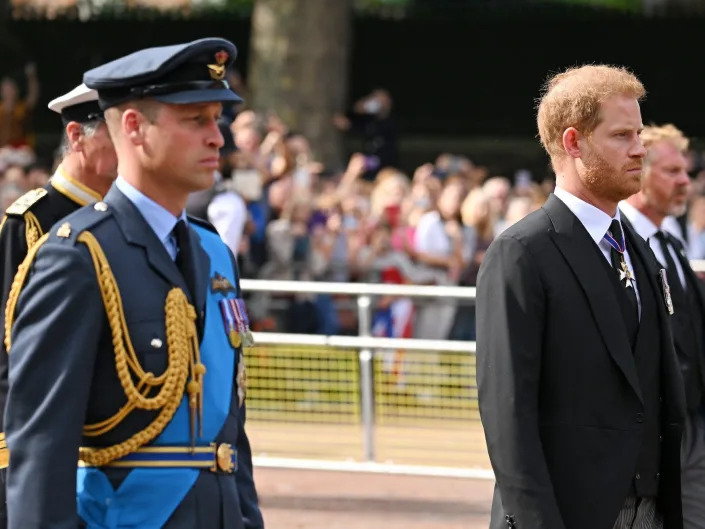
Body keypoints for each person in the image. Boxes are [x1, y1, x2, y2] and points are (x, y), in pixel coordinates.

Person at [3, 38, 263, 529]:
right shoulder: (79, 255)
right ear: (134, 127)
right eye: (195, 120)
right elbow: (41, 446)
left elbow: (228, 437)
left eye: (217, 119)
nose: (218, 138)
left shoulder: (214, 253)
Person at [476, 65, 685, 529]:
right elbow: (508, 414)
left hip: (650, 509)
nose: (638, 149)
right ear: (573, 142)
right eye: (621, 135)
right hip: (567, 514)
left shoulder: (637, 246)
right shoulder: (521, 254)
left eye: (640, 134)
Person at [0, 81, 117, 528]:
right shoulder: (34, 220)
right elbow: (14, 344)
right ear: (76, 137)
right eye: (114, 134)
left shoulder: (121, 216)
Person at [620, 124, 705, 529]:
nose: (685, 181)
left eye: (685, 171)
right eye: (672, 171)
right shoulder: (615, 244)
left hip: (691, 420)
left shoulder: (671, 243)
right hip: (646, 434)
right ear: (640, 173)